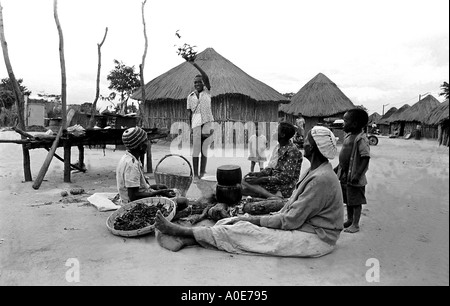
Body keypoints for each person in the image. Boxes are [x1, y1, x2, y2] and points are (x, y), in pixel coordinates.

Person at [154, 126, 344, 257]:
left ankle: (182, 232)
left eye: (308, 141)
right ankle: (193, 238)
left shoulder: (321, 179)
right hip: (305, 226)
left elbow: (290, 220)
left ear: (315, 147)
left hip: (317, 238)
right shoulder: (316, 171)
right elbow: (292, 208)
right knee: (237, 222)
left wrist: (252, 219)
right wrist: (266, 214)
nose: (305, 143)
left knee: (248, 232)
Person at [116, 127, 178, 204]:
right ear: (140, 146)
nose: (148, 143)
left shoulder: (130, 158)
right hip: (133, 204)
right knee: (183, 202)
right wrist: (159, 193)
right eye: (146, 141)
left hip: (134, 198)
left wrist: (157, 188)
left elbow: (139, 188)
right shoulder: (131, 165)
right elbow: (133, 197)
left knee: (163, 187)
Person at [242, 121, 302, 199]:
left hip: (284, 187)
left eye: (276, 130)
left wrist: (261, 180)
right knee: (244, 181)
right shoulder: (278, 147)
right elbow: (271, 168)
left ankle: (273, 196)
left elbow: (285, 178)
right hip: (274, 181)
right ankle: (271, 195)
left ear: (283, 135)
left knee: (242, 186)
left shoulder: (292, 151)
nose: (273, 132)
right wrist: (258, 174)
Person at [334, 108, 370, 233]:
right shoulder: (348, 136)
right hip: (345, 175)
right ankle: (349, 220)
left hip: (354, 176)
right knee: (348, 200)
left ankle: (355, 224)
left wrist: (358, 174)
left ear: (354, 124)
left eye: (345, 121)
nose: (343, 124)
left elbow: (365, 157)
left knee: (355, 201)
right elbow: (345, 156)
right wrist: (337, 168)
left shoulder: (360, 139)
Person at [186, 57, 214, 181]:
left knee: (204, 150)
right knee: (196, 150)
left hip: (207, 123)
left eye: (199, 82)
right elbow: (189, 114)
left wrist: (194, 64)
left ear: (203, 83)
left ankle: (202, 173)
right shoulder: (190, 97)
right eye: (195, 82)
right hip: (196, 124)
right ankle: (195, 174)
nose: (197, 84)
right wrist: (190, 127)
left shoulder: (207, 92)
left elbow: (206, 76)